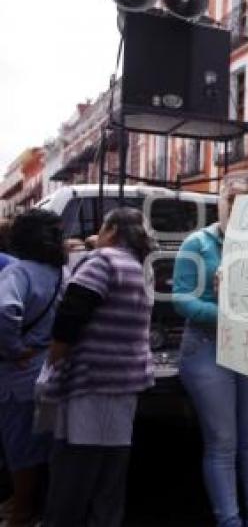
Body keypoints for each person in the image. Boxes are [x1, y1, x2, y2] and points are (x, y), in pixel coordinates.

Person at [42, 207, 156, 527]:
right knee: (110, 473)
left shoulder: (104, 262)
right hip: (125, 380)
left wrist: (53, 358)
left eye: (102, 229)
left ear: (113, 231)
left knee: (76, 468)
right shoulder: (138, 266)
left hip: (94, 380)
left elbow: (71, 316)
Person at [172, 177, 248, 527]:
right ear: (221, 204)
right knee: (222, 442)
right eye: (231, 200)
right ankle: (230, 522)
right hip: (206, 347)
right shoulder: (197, 244)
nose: (238, 207)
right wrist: (226, 311)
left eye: (246, 202)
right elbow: (182, 299)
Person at [0, 210, 65, 526]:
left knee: (20, 446)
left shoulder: (17, 273)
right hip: (50, 369)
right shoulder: (58, 273)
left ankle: (21, 513)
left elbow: (4, 310)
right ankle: (35, 510)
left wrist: (12, 349)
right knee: (46, 444)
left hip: (20, 373)